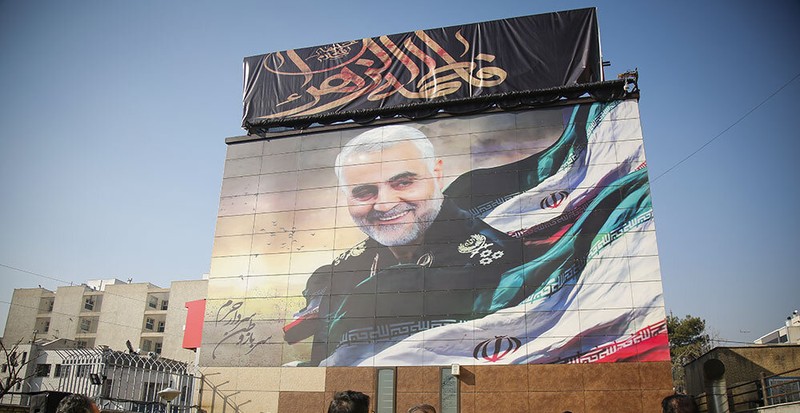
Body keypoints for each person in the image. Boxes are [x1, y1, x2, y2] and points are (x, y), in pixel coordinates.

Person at [284, 125, 525, 365]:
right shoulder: (350, 266)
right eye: (364, 192)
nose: (385, 205)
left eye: (403, 182)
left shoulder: (496, 265)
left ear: (437, 174)